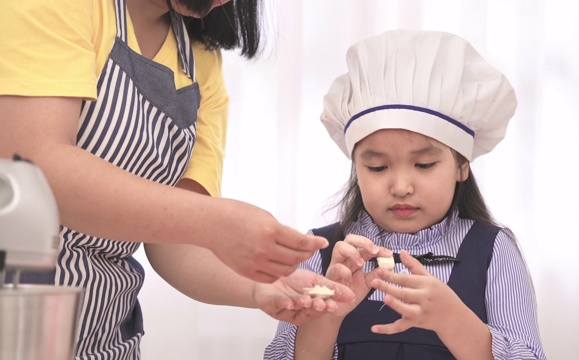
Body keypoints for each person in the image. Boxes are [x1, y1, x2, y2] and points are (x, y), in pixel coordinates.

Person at [0, 0, 354, 358]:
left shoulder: (201, 64)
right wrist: (218, 222)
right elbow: (37, 169)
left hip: (103, 338)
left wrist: (261, 286)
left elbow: (176, 240)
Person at [265, 30, 547, 360]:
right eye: (378, 167)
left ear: (461, 166)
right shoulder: (321, 253)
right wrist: (327, 311)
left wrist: (453, 320)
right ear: (356, 167)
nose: (400, 187)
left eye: (424, 164)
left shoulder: (493, 251)